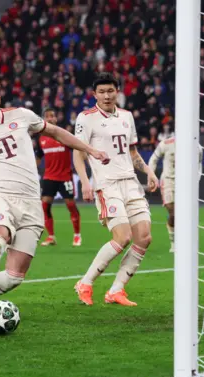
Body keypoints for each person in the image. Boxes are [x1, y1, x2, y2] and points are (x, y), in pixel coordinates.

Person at [0, 76, 109, 329]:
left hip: (31, 204)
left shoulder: (21, 116)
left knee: (14, 278)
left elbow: (56, 132)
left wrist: (90, 150)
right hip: (0, 196)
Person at [73, 73, 159, 307]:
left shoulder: (126, 117)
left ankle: (116, 290)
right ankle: (85, 283)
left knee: (144, 237)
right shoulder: (86, 118)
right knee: (123, 237)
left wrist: (149, 171)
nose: (107, 95)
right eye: (101, 92)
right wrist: (85, 181)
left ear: (117, 91)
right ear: (95, 95)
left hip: (130, 182)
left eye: (110, 91)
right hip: (106, 184)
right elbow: (78, 153)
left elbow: (132, 153)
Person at [34, 107, 82, 247]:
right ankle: (51, 237)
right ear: (44, 119)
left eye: (52, 116)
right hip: (49, 177)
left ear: (56, 118)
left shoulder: (64, 135)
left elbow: (78, 150)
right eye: (47, 116)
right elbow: (38, 157)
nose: (50, 118)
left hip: (65, 177)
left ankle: (77, 235)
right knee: (45, 206)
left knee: (71, 205)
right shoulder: (41, 138)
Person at [148, 136, 203, 252]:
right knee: (173, 212)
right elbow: (153, 159)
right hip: (168, 181)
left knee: (183, 213)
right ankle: (174, 243)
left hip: (185, 182)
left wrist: (196, 180)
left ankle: (183, 241)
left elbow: (199, 165)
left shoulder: (196, 147)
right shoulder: (166, 144)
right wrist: (151, 176)